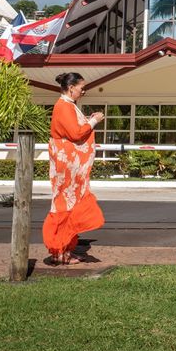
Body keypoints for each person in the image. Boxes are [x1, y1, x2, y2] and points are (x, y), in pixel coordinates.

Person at [42, 72, 105, 265]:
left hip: (70, 166)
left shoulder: (68, 106)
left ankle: (65, 250)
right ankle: (60, 251)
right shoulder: (63, 106)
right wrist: (94, 121)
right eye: (81, 88)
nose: (83, 91)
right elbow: (76, 133)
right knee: (64, 205)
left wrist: (88, 119)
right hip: (67, 166)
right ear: (71, 88)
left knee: (71, 204)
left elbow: (73, 128)